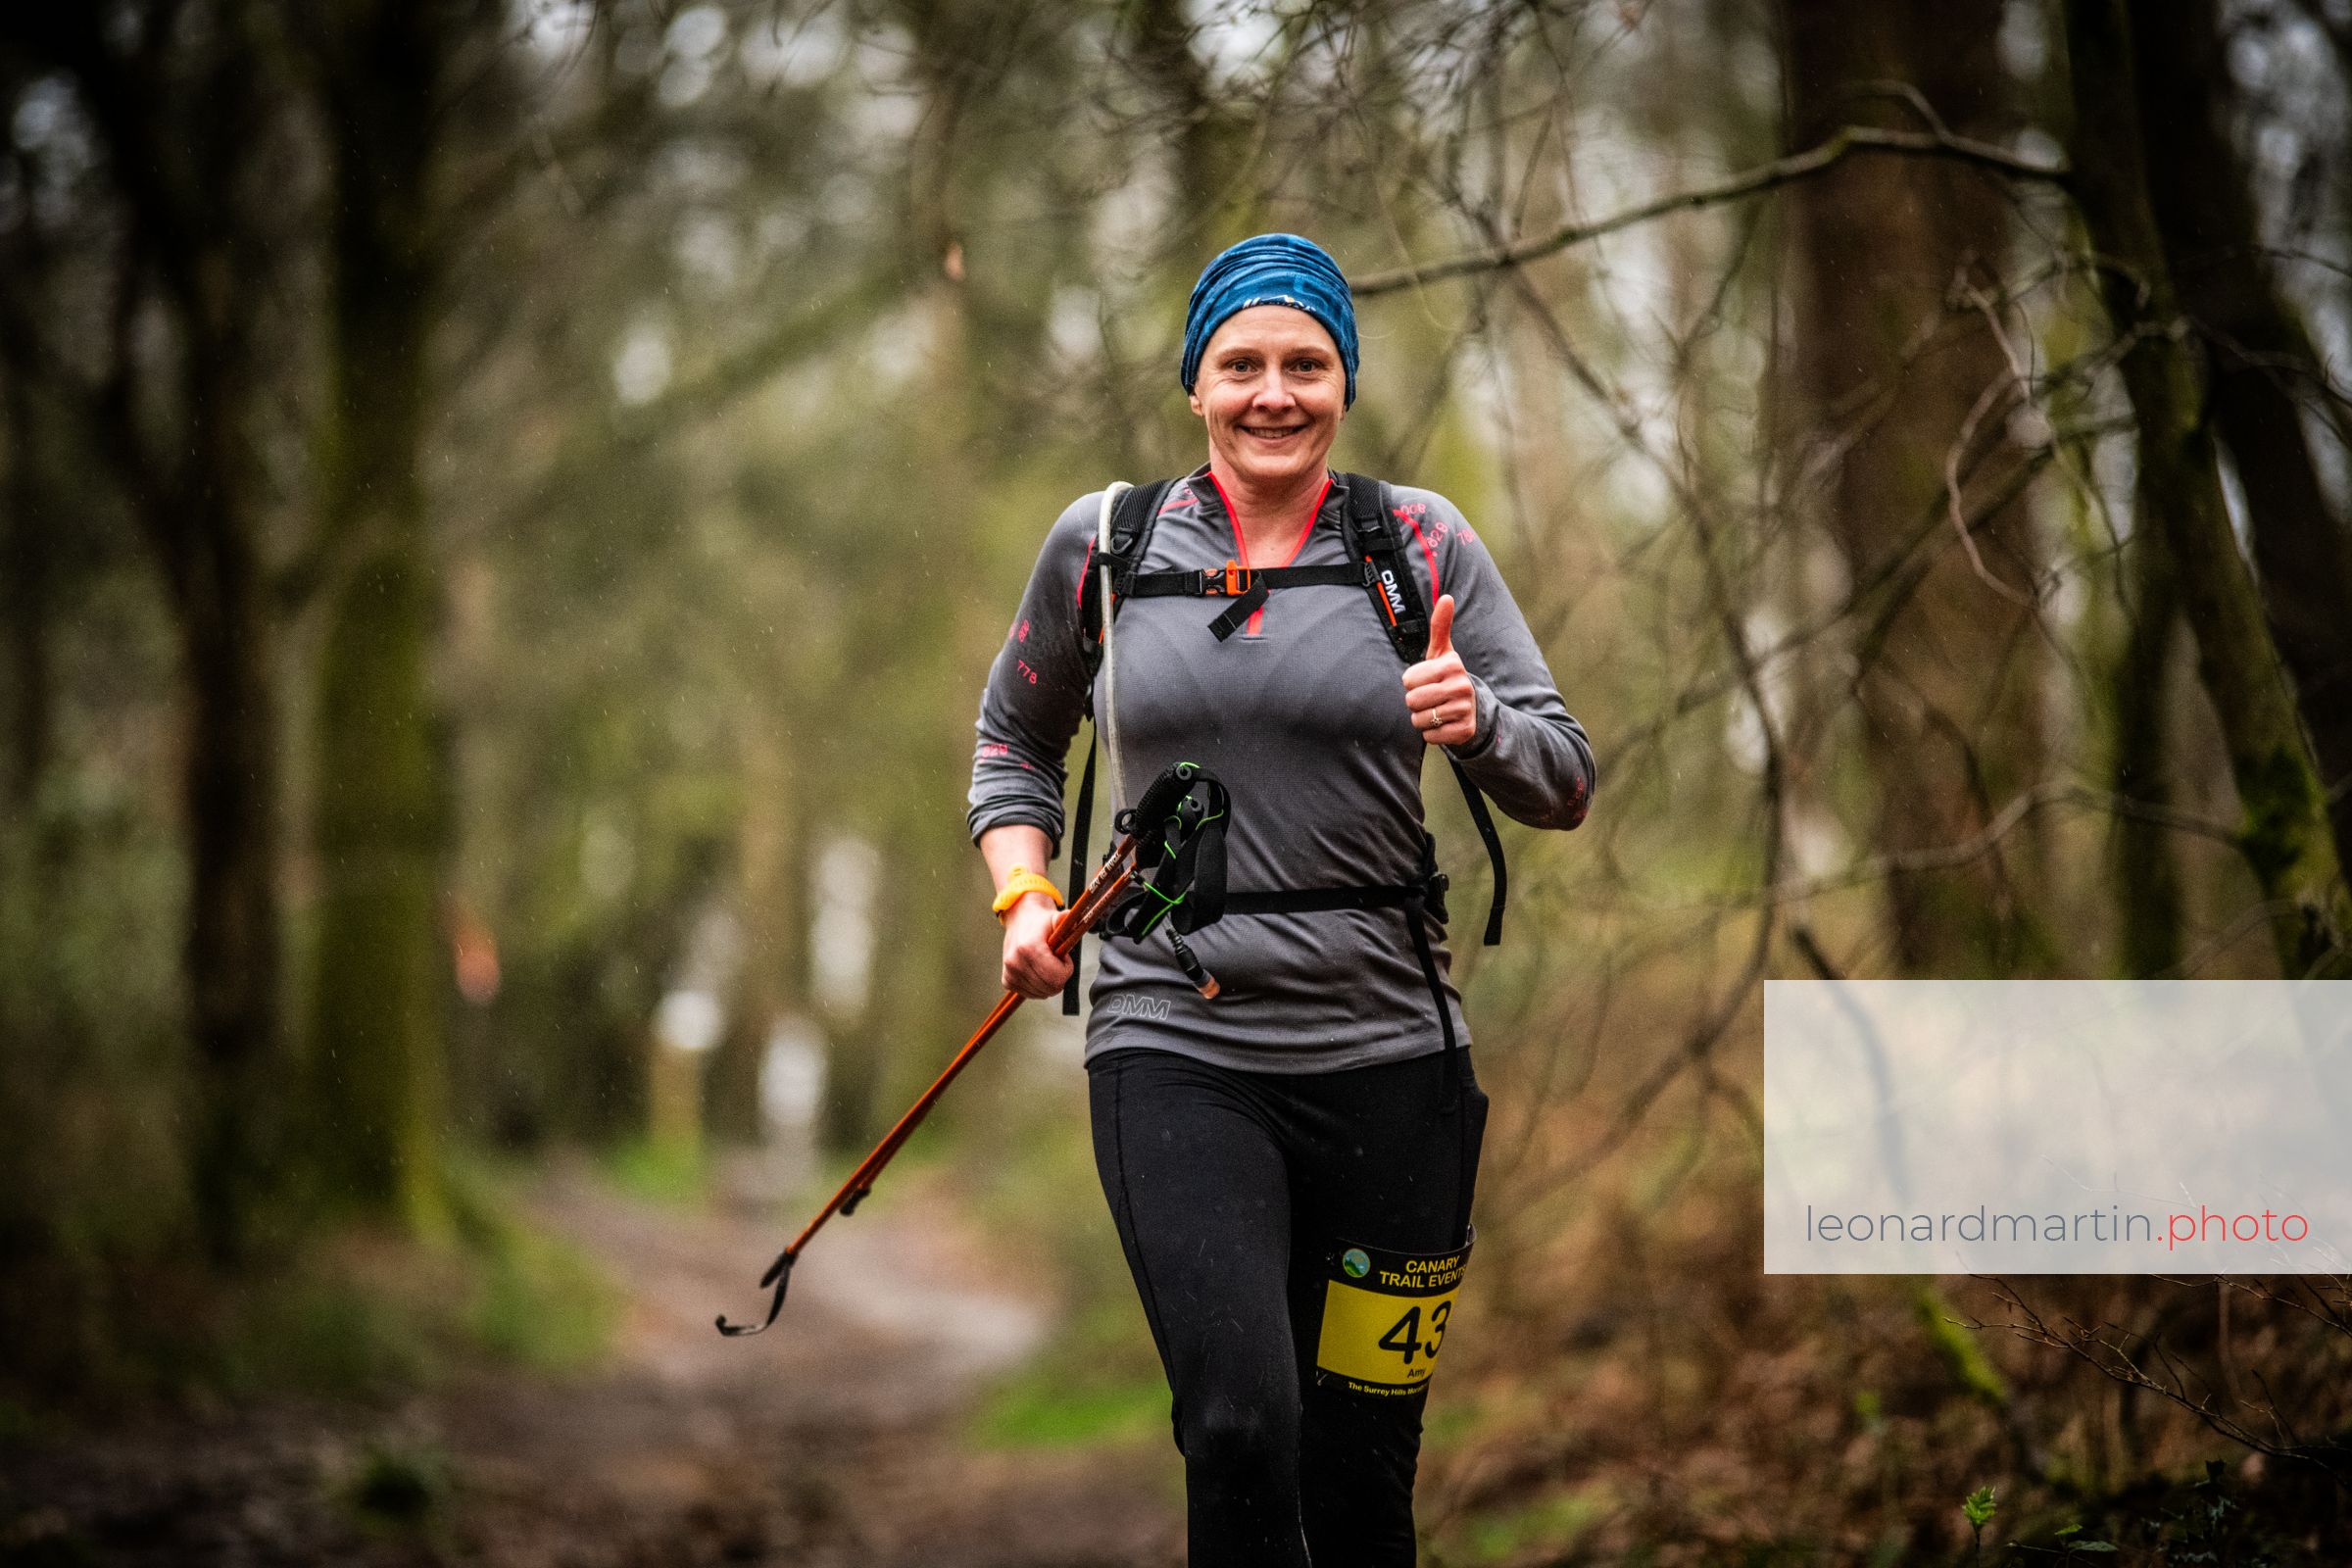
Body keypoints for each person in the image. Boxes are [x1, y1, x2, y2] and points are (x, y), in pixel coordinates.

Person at [967, 232, 1593, 1565]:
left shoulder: (1417, 541)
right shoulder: (1109, 544)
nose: (1273, 393)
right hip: (1174, 1044)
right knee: (1241, 1428)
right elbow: (1014, 740)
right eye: (1241, 363)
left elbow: (1566, 776)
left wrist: (1479, 722)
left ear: (1345, 385)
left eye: (1306, 364)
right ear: (1195, 383)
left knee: (1361, 1475)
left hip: (1393, 1064)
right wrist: (1025, 896)